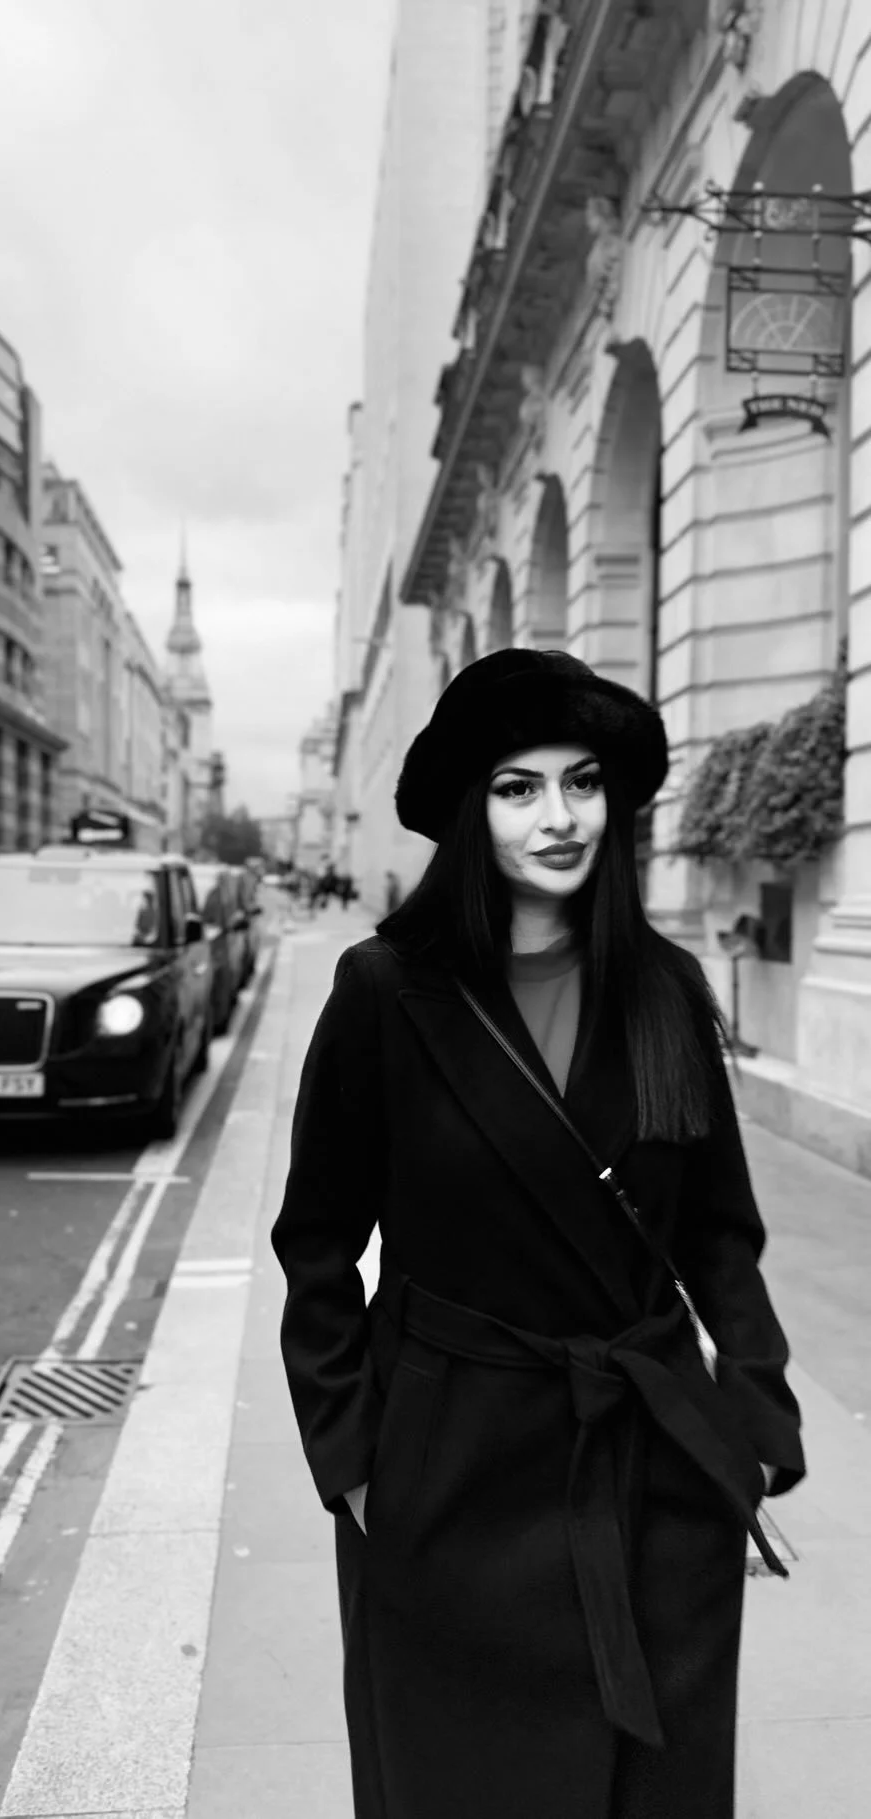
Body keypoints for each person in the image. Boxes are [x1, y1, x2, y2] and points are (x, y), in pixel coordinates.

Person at [271, 649, 804, 1819]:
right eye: (518, 787)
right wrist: (354, 1457)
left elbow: (720, 1233)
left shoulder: (664, 988)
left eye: (582, 782)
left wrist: (758, 1412)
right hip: (449, 1470)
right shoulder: (384, 992)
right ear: (472, 811)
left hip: (649, 1466)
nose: (557, 817)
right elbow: (316, 1243)